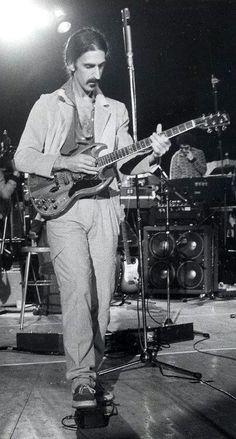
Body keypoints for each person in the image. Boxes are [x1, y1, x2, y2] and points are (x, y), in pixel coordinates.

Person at [14, 27, 170, 409]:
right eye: (88, 66)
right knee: (77, 292)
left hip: (105, 207)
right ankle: (81, 379)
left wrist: (153, 154)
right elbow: (23, 157)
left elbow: (125, 167)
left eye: (100, 65)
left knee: (101, 295)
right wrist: (64, 161)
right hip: (64, 208)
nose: (95, 73)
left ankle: (93, 371)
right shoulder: (47, 105)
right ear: (70, 64)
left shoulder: (115, 109)